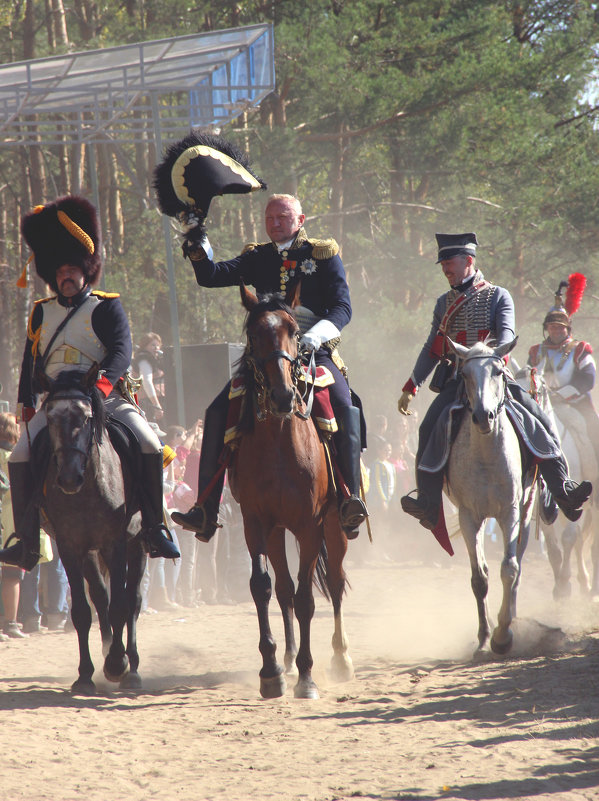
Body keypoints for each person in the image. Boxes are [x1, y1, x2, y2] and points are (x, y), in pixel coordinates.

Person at [170, 192, 368, 541]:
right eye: (270, 218)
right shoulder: (257, 257)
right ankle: (206, 508)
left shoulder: (322, 253)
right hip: (266, 355)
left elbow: (342, 308)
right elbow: (211, 276)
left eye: (283, 217)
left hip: (311, 348)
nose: (275, 223)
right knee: (217, 410)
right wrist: (197, 241)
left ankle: (350, 498)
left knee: (343, 404)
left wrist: (316, 336)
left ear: (300, 220)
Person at [0, 195, 179, 571]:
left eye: (72, 270)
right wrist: (26, 408)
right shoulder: (41, 311)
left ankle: (153, 526)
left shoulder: (105, 305)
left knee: (148, 442)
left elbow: (121, 352)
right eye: (60, 271)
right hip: (56, 399)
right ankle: (27, 540)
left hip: (103, 396)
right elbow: (30, 361)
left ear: (86, 271)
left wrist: (101, 389)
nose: (66, 276)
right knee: (19, 455)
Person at [398, 232, 592, 538]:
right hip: (459, 380)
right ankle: (428, 500)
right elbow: (432, 349)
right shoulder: (443, 303)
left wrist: (482, 358)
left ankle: (561, 488)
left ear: (469, 261)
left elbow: (505, 336)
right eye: (443, 263)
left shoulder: (498, 296)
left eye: (450, 262)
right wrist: (412, 385)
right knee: (427, 429)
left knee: (539, 418)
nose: (445, 268)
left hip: (494, 378)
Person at [528, 274, 599, 469]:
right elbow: (529, 377)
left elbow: (588, 380)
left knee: (595, 432)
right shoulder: (536, 352)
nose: (556, 331)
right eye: (552, 327)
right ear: (546, 329)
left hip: (575, 404)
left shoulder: (580, 350)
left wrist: (563, 394)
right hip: (541, 405)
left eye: (560, 327)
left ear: (568, 329)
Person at [133, 332, 166, 424]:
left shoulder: (156, 361)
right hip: (148, 404)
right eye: (153, 345)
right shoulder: (144, 360)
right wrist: (156, 405)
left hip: (155, 402)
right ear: (144, 346)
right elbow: (146, 382)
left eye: (158, 345)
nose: (156, 348)